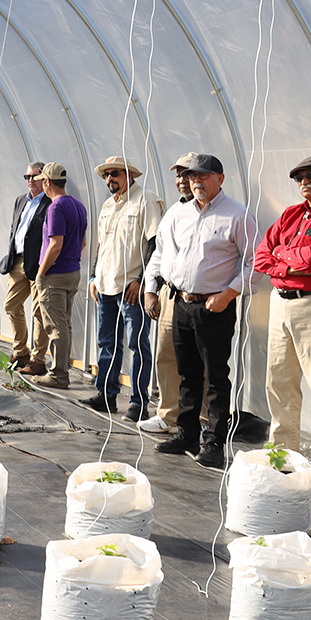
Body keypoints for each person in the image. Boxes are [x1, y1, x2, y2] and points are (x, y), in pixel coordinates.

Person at [144, 153, 258, 469]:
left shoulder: (236, 215)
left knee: (216, 376)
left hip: (214, 307)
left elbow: (254, 263)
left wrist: (228, 293)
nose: (197, 182)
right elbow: (161, 254)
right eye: (193, 177)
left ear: (219, 179)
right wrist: (151, 288)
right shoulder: (178, 215)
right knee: (188, 374)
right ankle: (187, 434)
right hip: (181, 303)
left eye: (203, 176)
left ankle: (214, 442)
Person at [252, 154, 311, 497]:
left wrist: (286, 261)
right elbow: (263, 256)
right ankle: (282, 458)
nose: (305, 181)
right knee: (279, 384)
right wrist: (289, 266)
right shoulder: (292, 214)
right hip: (282, 303)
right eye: (299, 177)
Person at [84, 156, 161, 417]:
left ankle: (139, 404)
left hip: (130, 288)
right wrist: (94, 276)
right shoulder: (107, 205)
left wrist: (142, 281)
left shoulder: (146, 199)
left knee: (138, 345)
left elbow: (155, 244)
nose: (109, 179)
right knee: (107, 342)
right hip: (105, 285)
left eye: (114, 173)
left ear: (130, 175)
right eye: (106, 175)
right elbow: (101, 245)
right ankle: (106, 395)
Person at [25, 163, 88, 389]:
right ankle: (60, 371)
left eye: (41, 180)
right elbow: (82, 242)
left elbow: (55, 244)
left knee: (55, 327)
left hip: (55, 275)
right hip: (73, 273)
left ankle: (59, 375)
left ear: (48, 182)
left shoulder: (55, 208)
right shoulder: (78, 206)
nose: (39, 183)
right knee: (65, 325)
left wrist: (42, 273)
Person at [139, 167, 192, 435]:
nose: (183, 180)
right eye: (179, 176)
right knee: (166, 355)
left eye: (189, 175)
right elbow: (158, 255)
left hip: (200, 299)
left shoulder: (222, 212)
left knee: (198, 362)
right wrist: (151, 290)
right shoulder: (173, 211)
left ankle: (202, 422)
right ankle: (168, 415)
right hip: (169, 294)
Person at [0, 161, 50, 371]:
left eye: (34, 176)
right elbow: (15, 229)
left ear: (44, 178)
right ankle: (21, 352)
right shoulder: (21, 200)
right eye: (27, 177)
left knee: (39, 313)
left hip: (38, 265)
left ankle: (38, 360)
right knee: (11, 305)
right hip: (17, 261)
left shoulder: (49, 202)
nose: (30, 181)